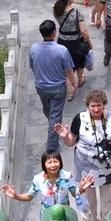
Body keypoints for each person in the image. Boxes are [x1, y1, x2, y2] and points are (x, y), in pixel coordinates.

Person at [55, 89, 111, 221]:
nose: (96, 109)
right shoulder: (80, 118)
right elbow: (71, 142)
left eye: (99, 105)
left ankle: (107, 220)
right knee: (87, 195)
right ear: (88, 106)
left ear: (103, 104)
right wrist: (65, 136)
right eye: (93, 106)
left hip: (107, 166)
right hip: (85, 165)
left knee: (107, 196)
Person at [2, 149, 95, 221]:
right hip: (47, 215)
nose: (53, 165)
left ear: (60, 162)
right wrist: (15, 196)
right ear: (44, 165)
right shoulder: (38, 179)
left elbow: (75, 193)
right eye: (49, 162)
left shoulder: (67, 176)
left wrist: (81, 189)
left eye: (56, 161)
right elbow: (29, 196)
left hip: (64, 213)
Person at [30, 20, 77, 152]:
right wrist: (74, 83)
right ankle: (51, 147)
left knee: (48, 110)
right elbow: (68, 70)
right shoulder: (62, 50)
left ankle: (53, 126)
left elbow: (33, 67)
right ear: (54, 32)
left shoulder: (33, 48)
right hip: (57, 88)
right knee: (55, 117)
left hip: (41, 87)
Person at [54, 0, 93, 96]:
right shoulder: (77, 13)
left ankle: (70, 92)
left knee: (66, 66)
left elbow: (54, 7)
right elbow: (83, 31)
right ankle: (80, 80)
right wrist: (89, 42)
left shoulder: (56, 10)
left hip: (62, 41)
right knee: (79, 62)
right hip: (76, 42)